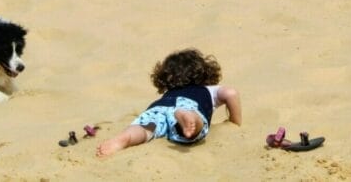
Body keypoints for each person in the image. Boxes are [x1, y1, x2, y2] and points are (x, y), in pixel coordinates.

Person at [96, 48, 242, 158]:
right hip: (188, 105)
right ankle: (190, 117)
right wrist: (234, 122)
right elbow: (231, 93)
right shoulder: (208, 90)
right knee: (194, 128)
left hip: (159, 106)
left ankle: (125, 138)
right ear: (204, 72)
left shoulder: (169, 92)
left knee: (147, 128)